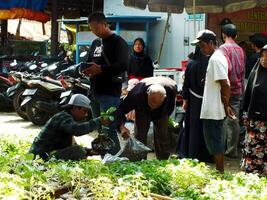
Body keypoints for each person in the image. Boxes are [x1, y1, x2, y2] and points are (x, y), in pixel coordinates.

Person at [83, 12, 129, 155]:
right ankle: (106, 159)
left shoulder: (118, 42)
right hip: (95, 92)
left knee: (108, 129)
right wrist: (87, 69)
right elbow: (92, 60)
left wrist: (101, 69)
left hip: (109, 94)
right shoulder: (96, 43)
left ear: (104, 24)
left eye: (96, 28)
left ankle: (114, 161)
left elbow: (123, 65)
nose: (94, 32)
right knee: (100, 130)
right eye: (91, 29)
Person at [195, 30, 234, 173]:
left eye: (202, 45)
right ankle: (219, 172)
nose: (201, 48)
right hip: (213, 109)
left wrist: (226, 105)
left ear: (211, 43)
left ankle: (220, 172)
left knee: (216, 142)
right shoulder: (216, 57)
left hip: (214, 110)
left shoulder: (216, 59)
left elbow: (225, 84)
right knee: (214, 142)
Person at [28, 94, 110, 161]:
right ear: (74, 108)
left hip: (44, 154)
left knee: (77, 148)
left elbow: (69, 146)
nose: (86, 115)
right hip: (39, 157)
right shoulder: (63, 117)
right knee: (78, 151)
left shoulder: (65, 118)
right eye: (84, 111)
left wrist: (90, 151)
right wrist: (99, 121)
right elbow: (77, 130)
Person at [115, 76, 177, 160]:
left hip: (162, 112)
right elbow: (120, 110)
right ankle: (139, 161)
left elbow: (170, 107)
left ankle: (163, 161)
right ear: (147, 93)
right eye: (151, 103)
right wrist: (122, 127)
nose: (153, 107)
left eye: (156, 104)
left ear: (165, 97)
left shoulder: (171, 88)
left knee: (162, 135)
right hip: (142, 109)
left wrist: (165, 117)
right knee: (140, 136)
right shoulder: (136, 94)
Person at [178, 45, 213, 162]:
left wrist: (185, 100)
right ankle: (206, 155)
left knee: (193, 126)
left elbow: (186, 85)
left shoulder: (191, 64)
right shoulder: (211, 64)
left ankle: (192, 153)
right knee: (206, 126)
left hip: (193, 101)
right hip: (208, 100)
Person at [219, 24, 246, 158]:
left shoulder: (223, 49)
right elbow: (242, 72)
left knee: (223, 118)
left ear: (223, 34)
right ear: (236, 36)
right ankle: (232, 150)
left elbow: (225, 71)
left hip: (226, 89)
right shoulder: (241, 50)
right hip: (238, 90)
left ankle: (221, 149)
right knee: (234, 120)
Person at [241, 45, 267, 175]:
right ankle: (252, 171)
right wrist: (245, 114)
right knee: (253, 145)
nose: (264, 59)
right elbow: (247, 96)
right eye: (262, 56)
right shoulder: (254, 73)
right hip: (254, 120)